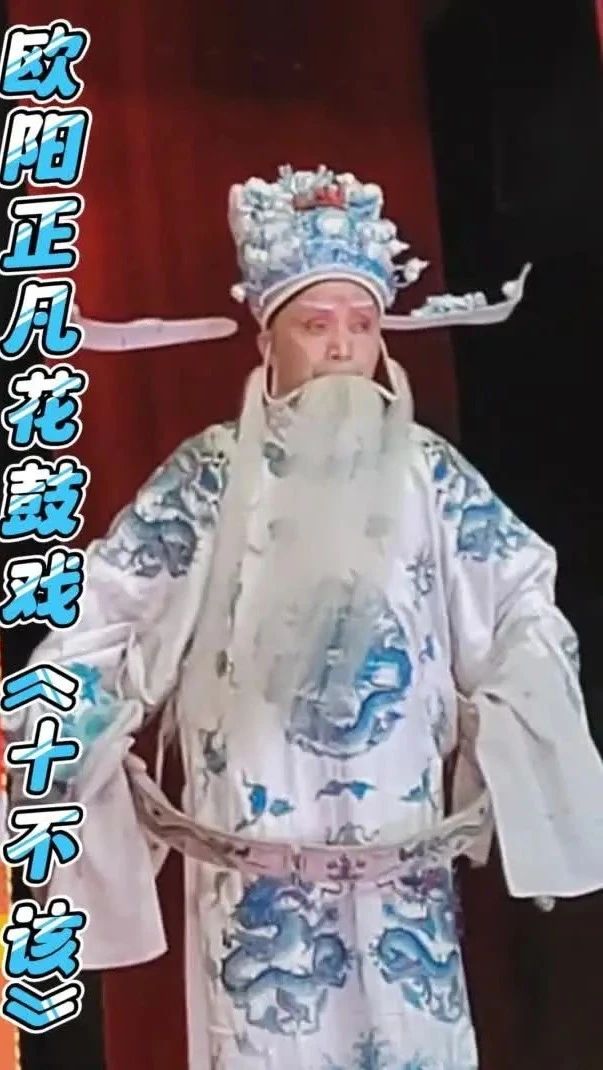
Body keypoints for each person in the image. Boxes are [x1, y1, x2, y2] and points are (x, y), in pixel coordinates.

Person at [6, 165, 603, 1070]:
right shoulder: (208, 478)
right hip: (255, 893)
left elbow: (520, 600)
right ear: (268, 341)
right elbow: (106, 615)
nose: (340, 348)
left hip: (404, 881)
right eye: (315, 325)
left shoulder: (430, 475)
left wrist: (522, 705)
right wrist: (56, 722)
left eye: (360, 325)